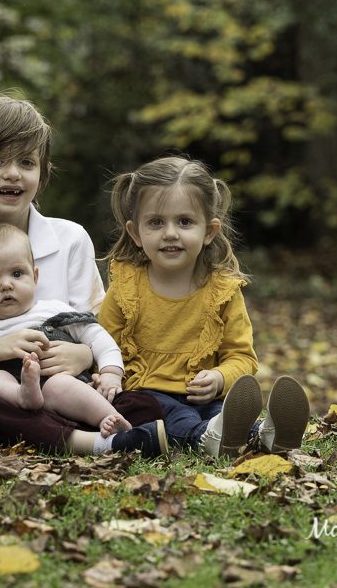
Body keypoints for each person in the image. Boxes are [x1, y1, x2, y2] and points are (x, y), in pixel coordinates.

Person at [0, 94, 165, 456]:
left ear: (43, 173)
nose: (12, 173)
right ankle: (88, 442)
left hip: (64, 386)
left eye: (26, 162)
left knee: (146, 405)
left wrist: (81, 356)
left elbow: (94, 327)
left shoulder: (70, 238)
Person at [98, 155, 311, 457]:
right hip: (146, 393)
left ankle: (266, 434)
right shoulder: (127, 286)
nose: (170, 233)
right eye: (156, 222)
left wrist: (220, 378)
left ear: (209, 231)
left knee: (220, 412)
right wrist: (107, 374)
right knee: (173, 417)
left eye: (184, 222)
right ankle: (204, 439)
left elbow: (241, 357)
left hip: (203, 394)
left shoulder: (222, 291)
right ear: (135, 233)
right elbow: (103, 343)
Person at [0, 223, 131, 437]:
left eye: (17, 273)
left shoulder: (53, 310)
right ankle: (24, 395)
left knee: (59, 385)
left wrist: (111, 372)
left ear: (35, 276)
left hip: (60, 391)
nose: (6, 285)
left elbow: (98, 337)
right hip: (13, 404)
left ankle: (108, 418)